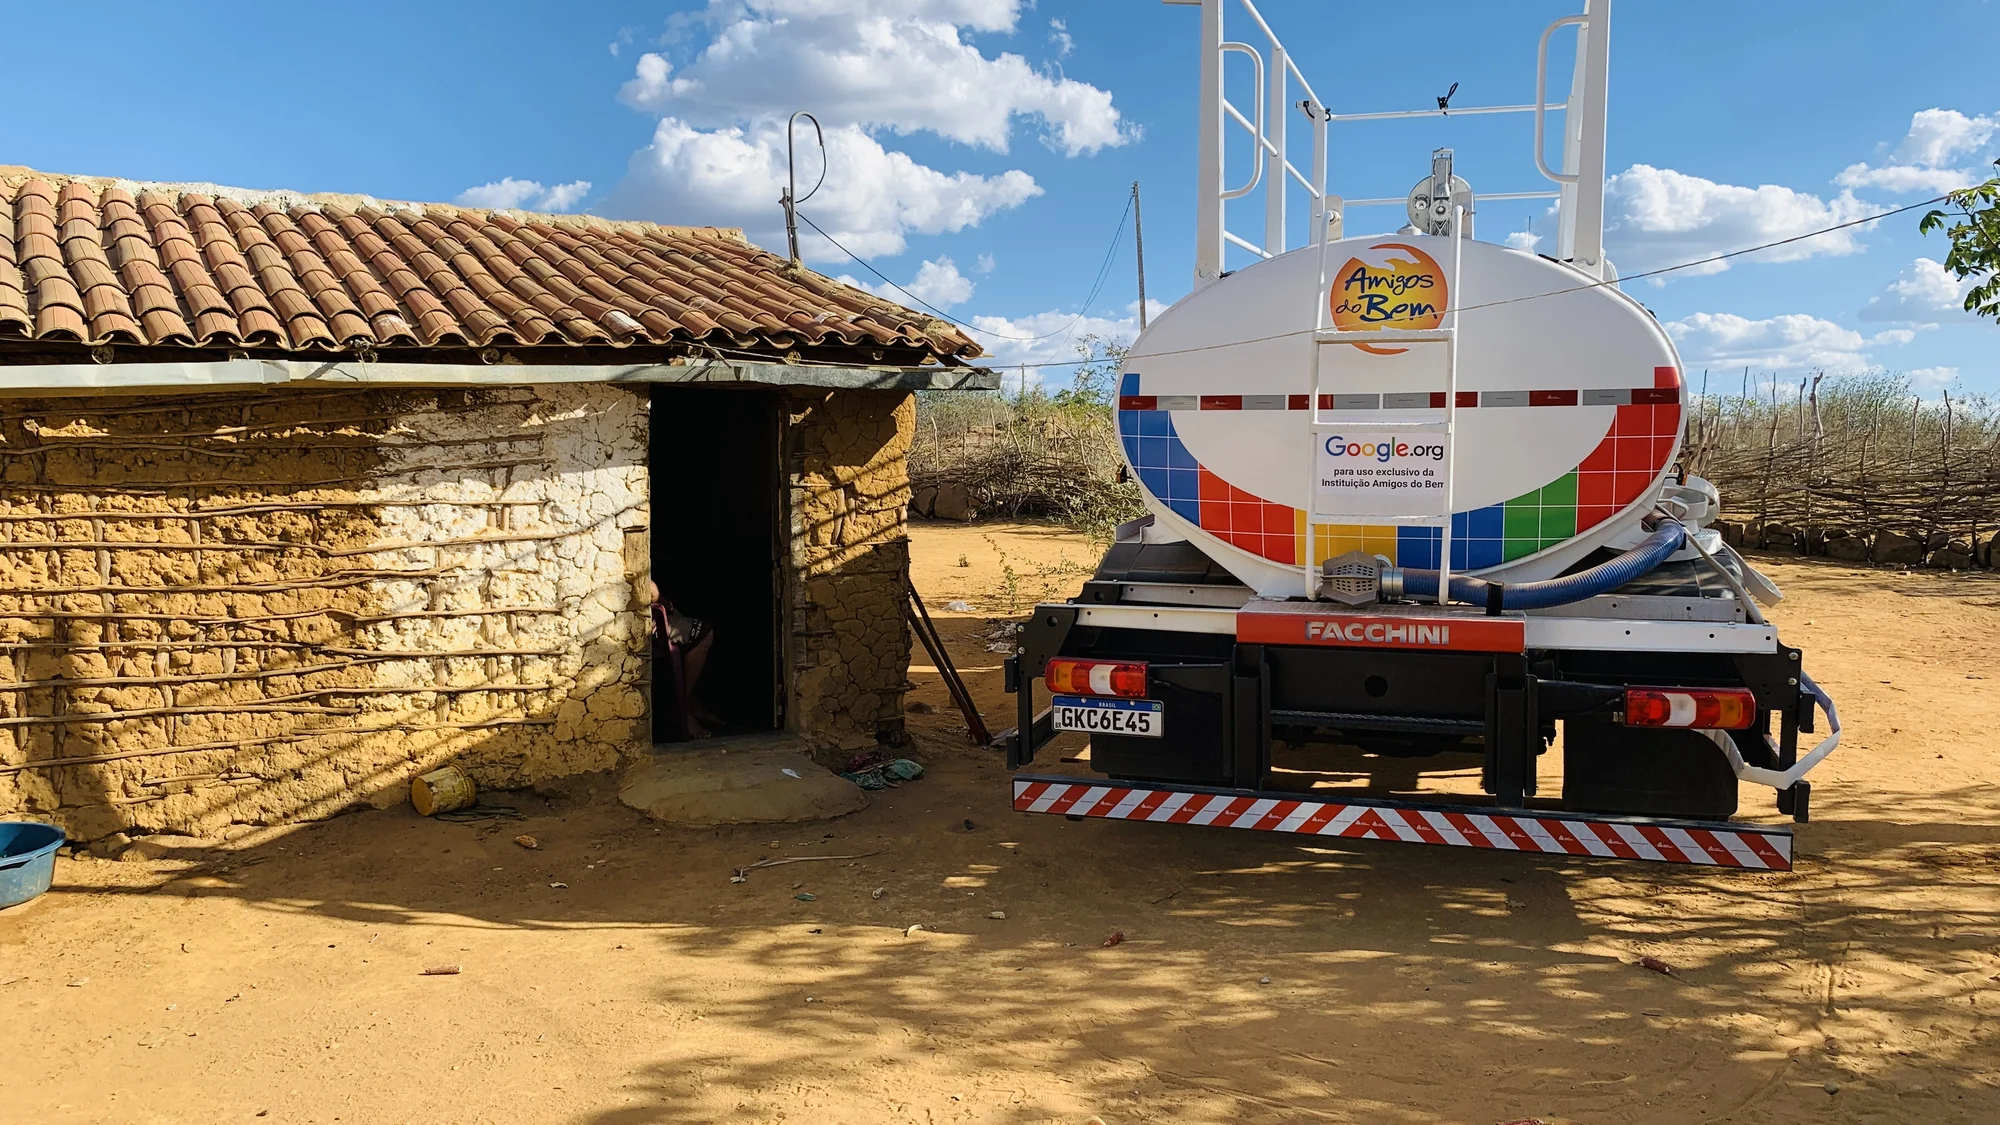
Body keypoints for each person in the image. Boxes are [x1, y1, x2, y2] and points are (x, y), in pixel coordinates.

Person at [643, 578, 721, 739]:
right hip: (645, 624)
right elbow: (648, 588)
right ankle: (683, 709)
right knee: (704, 633)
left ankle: (691, 704)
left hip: (651, 618)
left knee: (679, 620)